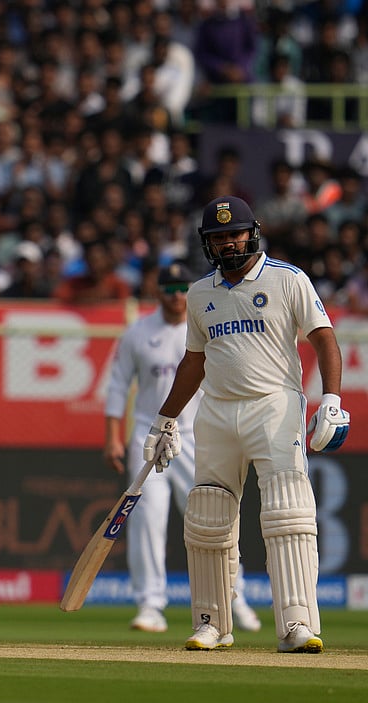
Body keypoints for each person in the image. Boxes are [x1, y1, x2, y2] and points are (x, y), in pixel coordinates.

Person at [145, 195, 348, 654]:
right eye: (218, 237)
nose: (228, 243)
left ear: (251, 233)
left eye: (234, 233)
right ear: (207, 244)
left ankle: (296, 624)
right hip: (217, 411)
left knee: (287, 512)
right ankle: (211, 622)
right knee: (207, 517)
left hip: (274, 406)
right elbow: (192, 363)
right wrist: (164, 420)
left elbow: (325, 340)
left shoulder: (288, 279)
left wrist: (331, 400)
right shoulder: (199, 293)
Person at [104, 261, 261, 634]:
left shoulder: (207, 323)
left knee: (213, 522)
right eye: (169, 289)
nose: (177, 296)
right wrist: (113, 436)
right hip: (151, 438)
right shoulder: (138, 333)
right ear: (158, 292)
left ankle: (232, 599)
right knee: (147, 520)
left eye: (182, 288)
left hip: (196, 436)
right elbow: (117, 386)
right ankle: (150, 605)